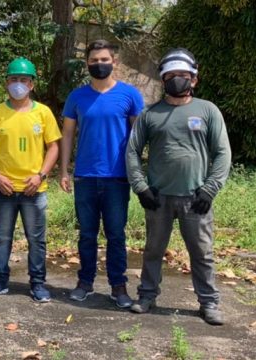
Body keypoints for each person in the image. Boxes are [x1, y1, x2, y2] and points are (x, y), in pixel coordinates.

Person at [126, 48, 231, 325]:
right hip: (158, 198)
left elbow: (222, 153)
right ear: (163, 80)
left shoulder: (208, 110)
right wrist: (141, 187)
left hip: (196, 198)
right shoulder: (150, 114)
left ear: (194, 79)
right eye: (171, 76)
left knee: (202, 253)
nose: (177, 80)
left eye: (183, 75)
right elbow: (132, 151)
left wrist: (210, 190)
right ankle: (147, 296)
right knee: (152, 251)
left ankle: (208, 303)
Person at [59, 40, 144, 307]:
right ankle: (85, 283)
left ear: (114, 62)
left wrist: (137, 172)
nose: (99, 64)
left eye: (104, 59)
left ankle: (118, 287)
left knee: (116, 234)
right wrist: (63, 170)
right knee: (87, 233)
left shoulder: (130, 96)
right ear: (87, 63)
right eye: (94, 60)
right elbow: (68, 135)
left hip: (118, 178)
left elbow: (139, 137)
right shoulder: (77, 97)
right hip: (85, 176)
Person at [0, 58, 61, 302]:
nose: (18, 84)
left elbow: (53, 147)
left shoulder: (43, 113)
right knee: (2, 239)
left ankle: (37, 284)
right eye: (14, 79)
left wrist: (41, 175)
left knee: (36, 240)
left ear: (32, 84)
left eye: (23, 79)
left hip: (34, 189)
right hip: (2, 189)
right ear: (6, 83)